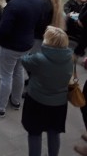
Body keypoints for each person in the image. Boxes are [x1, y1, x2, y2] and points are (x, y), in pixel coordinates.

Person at [21, 26, 71, 156]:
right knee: (54, 133)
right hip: (59, 104)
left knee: (34, 133)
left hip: (37, 101)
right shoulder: (70, 58)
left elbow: (24, 60)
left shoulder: (39, 59)